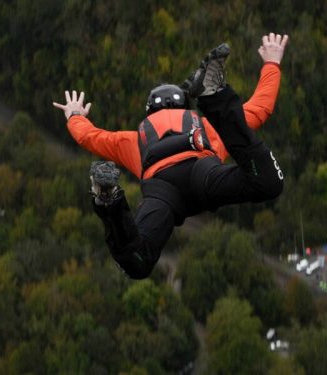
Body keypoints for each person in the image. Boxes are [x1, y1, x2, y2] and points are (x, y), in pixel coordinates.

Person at [52, 33, 289, 279]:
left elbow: (89, 137)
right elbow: (261, 108)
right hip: (203, 173)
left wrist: (75, 115)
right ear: (185, 108)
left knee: (137, 260)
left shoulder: (132, 140)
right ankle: (215, 99)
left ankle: (109, 203)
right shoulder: (206, 127)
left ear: (149, 111)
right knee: (268, 183)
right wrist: (272, 63)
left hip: (162, 191)